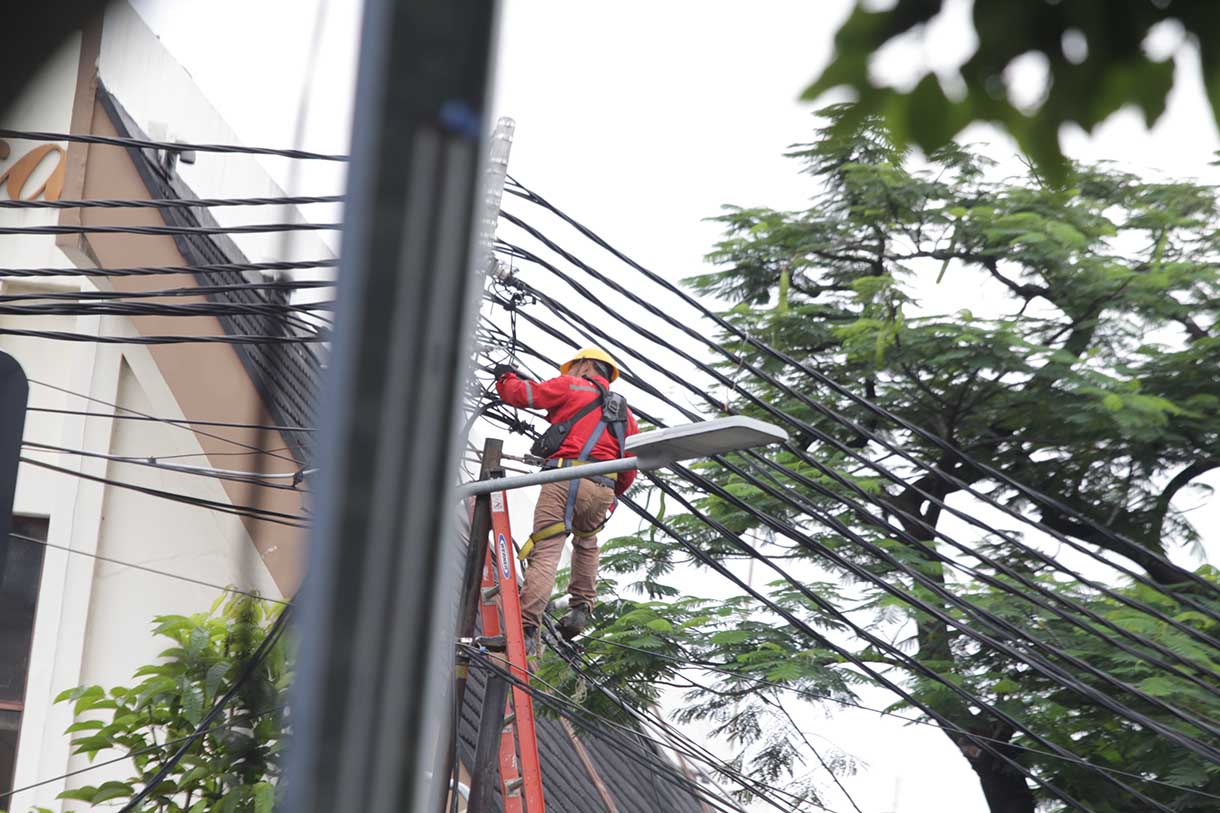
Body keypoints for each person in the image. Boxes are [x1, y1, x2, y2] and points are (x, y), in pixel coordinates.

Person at [493, 348, 639, 653]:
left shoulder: (571, 386)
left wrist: (504, 376)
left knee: (546, 550)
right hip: (604, 485)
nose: (567, 373)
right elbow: (629, 465)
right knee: (587, 545)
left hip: (564, 478)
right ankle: (579, 611)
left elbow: (525, 395)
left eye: (571, 368)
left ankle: (526, 629)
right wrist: (608, 497)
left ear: (584, 366)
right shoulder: (627, 415)